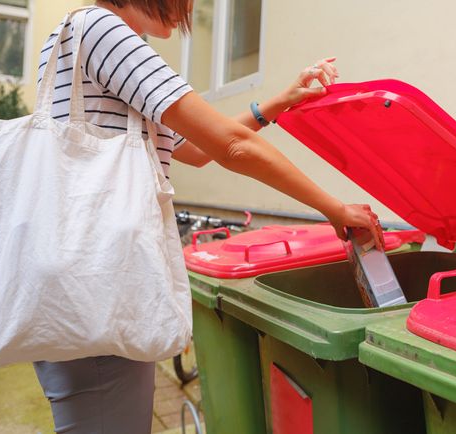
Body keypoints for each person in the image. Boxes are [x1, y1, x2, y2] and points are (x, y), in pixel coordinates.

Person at [33, 1, 385, 432]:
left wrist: (280, 102)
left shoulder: (79, 37)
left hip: (81, 285)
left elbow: (197, 149)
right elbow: (230, 146)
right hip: (95, 290)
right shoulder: (104, 31)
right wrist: (336, 208)